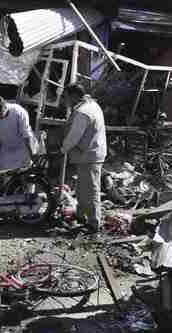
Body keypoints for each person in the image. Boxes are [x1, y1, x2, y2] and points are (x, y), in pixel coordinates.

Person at [60, 83, 107, 233]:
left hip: (89, 155)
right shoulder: (91, 105)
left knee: (91, 190)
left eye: (66, 97)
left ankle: (94, 223)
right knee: (82, 189)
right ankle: (80, 215)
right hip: (89, 153)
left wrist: (62, 149)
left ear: (73, 96)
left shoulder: (83, 112)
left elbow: (74, 136)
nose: (65, 100)